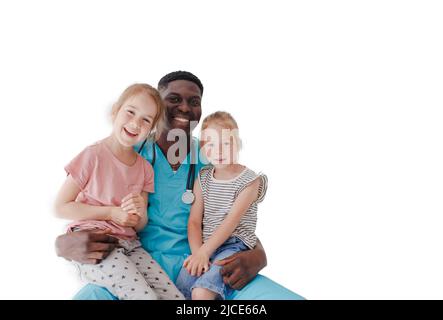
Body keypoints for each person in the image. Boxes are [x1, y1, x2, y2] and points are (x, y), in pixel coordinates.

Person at [55, 71, 303, 300]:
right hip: (137, 268)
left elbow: (241, 210)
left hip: (208, 268)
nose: (184, 107)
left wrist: (258, 255)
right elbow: (87, 206)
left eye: (194, 102)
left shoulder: (213, 154)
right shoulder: (129, 156)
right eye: (173, 99)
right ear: (156, 107)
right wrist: (62, 245)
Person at [54, 83, 183, 300]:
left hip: (132, 245)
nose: (135, 123)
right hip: (97, 242)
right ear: (115, 111)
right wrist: (111, 213)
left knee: (175, 298)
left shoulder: (144, 169)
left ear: (151, 129)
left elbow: (139, 225)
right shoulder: (92, 156)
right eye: (131, 112)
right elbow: (60, 207)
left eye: (146, 120)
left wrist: (139, 212)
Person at [176, 111, 268, 300]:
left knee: (201, 292)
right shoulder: (203, 178)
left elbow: (230, 223)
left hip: (234, 245)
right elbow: (194, 221)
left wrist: (204, 252)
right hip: (205, 245)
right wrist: (198, 255)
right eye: (210, 144)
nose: (218, 151)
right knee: (180, 287)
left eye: (226, 144)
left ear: (238, 144)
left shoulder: (250, 181)